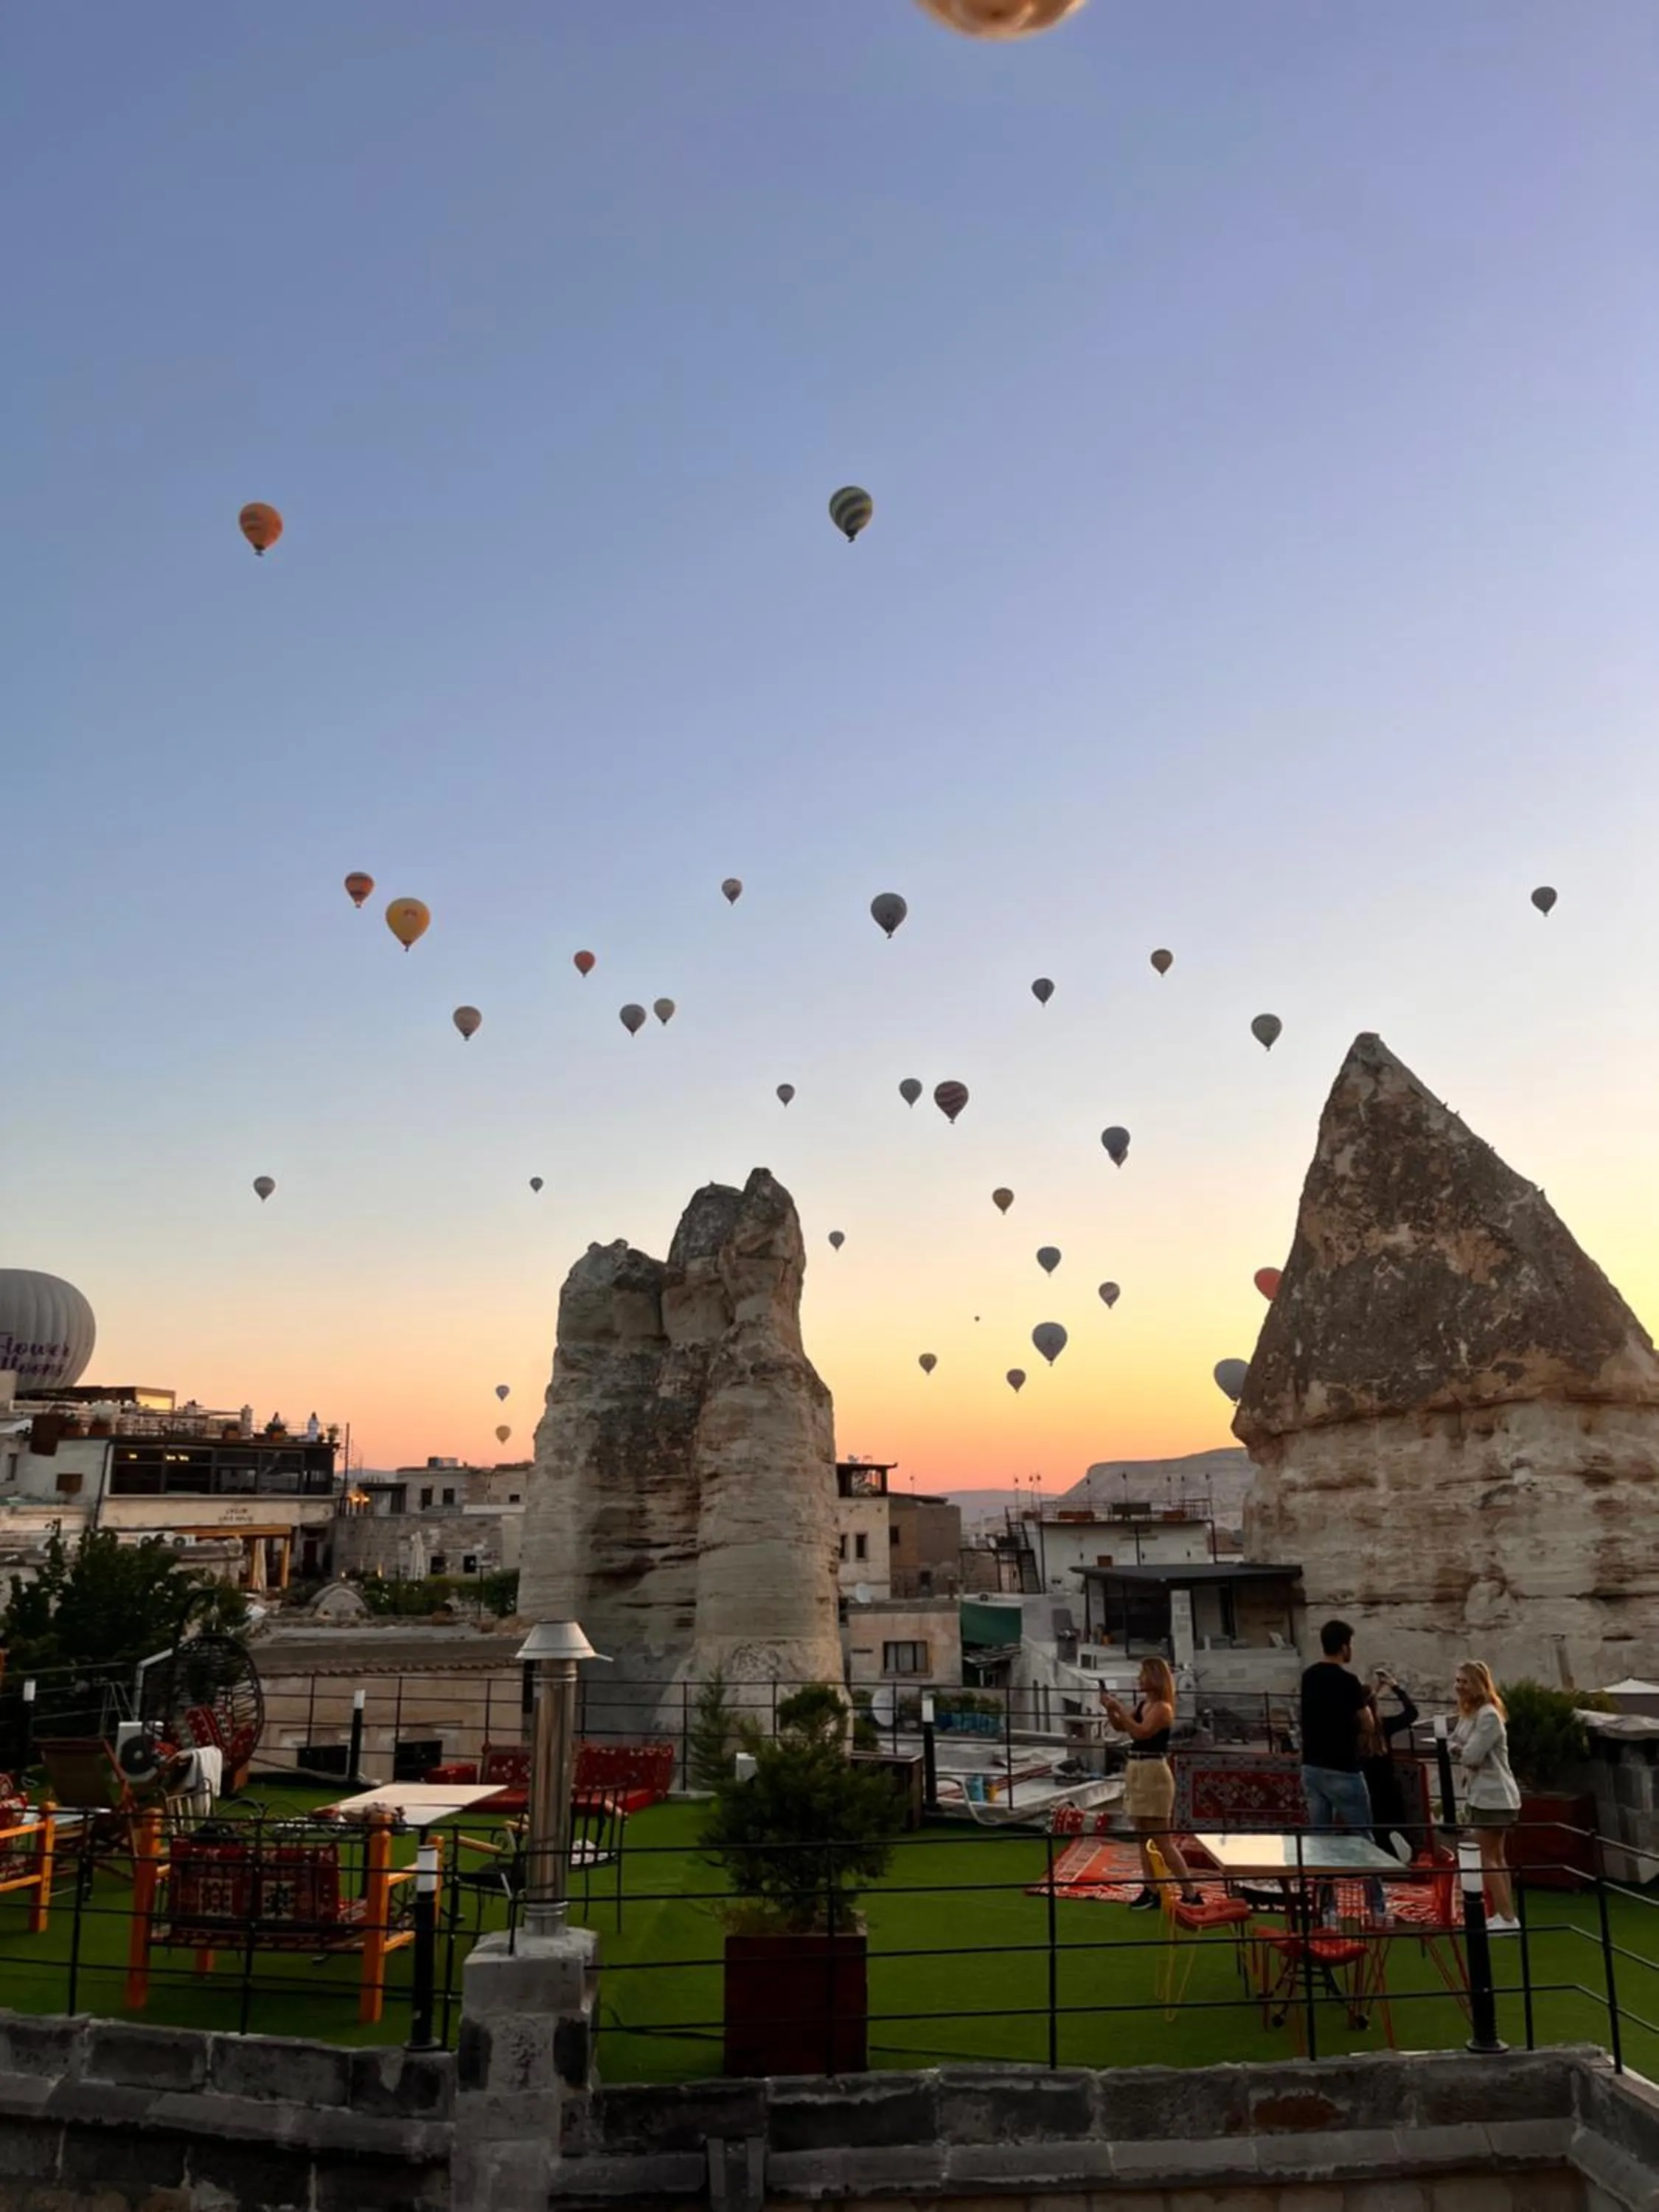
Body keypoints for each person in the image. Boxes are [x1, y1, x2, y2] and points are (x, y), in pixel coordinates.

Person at [1300, 1619, 1385, 1921]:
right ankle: (1375, 1907)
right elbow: (1368, 1724)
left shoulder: (1309, 1677)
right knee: (1364, 1839)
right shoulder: (1349, 1682)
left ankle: (1328, 1910)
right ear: (1345, 1646)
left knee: (1321, 1843)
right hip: (1343, 1768)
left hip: (1312, 1766)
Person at [1102, 1657, 1200, 1910]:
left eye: (1143, 1674)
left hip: (1153, 1773)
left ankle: (1190, 1892)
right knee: (1142, 1835)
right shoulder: (1144, 1704)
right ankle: (1151, 1889)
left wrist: (1121, 1709)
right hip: (1137, 1769)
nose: (1139, 1679)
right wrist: (1110, 1708)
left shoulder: (1162, 1709)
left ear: (1155, 1677)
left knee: (1161, 1838)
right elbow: (1122, 1726)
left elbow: (1141, 1732)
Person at [1451, 1660, 1522, 1931]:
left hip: (1494, 1795)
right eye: (1457, 1681)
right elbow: (1455, 1742)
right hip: (1483, 1794)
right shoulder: (1470, 1715)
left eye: (1464, 1681)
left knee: (1487, 1856)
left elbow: (1471, 1754)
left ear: (1478, 1684)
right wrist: (1459, 1749)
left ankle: (1506, 1917)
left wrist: (1460, 1751)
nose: (1459, 1687)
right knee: (1495, 1855)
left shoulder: (1488, 1716)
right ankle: (1506, 1915)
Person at [1359, 1668, 1420, 1857]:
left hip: (1365, 1786)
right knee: (1396, 1822)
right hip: (1388, 1785)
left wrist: (1372, 1693)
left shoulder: (1353, 1728)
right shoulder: (1384, 1726)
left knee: (1375, 1829)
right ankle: (1407, 1853)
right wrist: (1395, 1687)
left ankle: (1381, 1856)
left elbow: (1361, 1707)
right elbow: (1412, 1713)